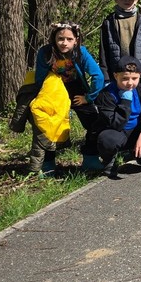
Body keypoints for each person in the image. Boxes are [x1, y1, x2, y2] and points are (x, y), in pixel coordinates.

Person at [30, 22, 106, 174]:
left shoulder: (81, 52)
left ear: (76, 40)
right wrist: (42, 97)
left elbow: (98, 76)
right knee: (49, 125)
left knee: (94, 122)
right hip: (54, 91)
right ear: (54, 38)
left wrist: (88, 98)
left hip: (76, 90)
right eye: (60, 38)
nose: (64, 43)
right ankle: (48, 164)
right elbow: (40, 78)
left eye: (69, 39)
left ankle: (90, 158)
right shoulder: (45, 52)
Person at [93, 56, 141, 177]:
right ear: (115, 76)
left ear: (140, 76)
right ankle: (109, 161)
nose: (130, 83)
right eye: (125, 78)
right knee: (106, 139)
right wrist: (125, 102)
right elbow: (115, 124)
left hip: (137, 131)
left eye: (134, 78)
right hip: (118, 132)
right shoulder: (106, 95)